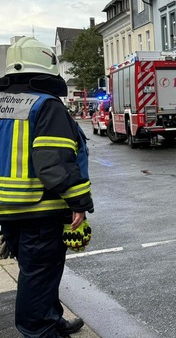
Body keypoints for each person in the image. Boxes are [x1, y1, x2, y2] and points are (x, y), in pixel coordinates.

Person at [0, 37, 93, 337]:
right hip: (40, 208)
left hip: (8, 210)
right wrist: (79, 200)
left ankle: (52, 319)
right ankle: (41, 329)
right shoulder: (46, 105)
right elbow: (53, 162)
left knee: (38, 272)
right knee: (40, 275)